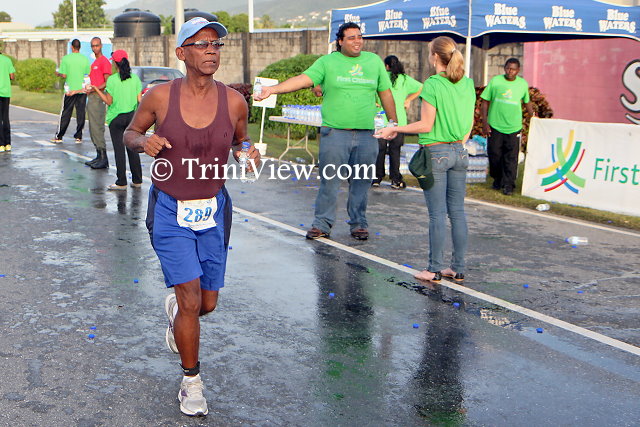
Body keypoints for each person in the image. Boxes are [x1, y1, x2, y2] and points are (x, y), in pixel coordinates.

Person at [123, 17, 259, 417]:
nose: (211, 50)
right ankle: (192, 382)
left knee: (207, 304)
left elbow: (241, 142)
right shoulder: (159, 97)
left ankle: (177, 315)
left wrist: (248, 154)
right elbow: (130, 133)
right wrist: (145, 141)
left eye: (216, 44)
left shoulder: (234, 102)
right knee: (190, 298)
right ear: (182, 52)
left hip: (214, 210)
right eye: (201, 44)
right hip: (170, 209)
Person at [254, 22, 397, 241]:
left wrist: (393, 122)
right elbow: (303, 80)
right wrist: (272, 89)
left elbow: (385, 93)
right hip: (335, 134)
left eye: (359, 37)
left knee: (361, 182)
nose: (357, 41)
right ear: (340, 41)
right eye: (351, 37)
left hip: (367, 135)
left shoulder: (374, 61)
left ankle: (359, 224)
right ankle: (322, 224)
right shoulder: (327, 62)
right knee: (330, 181)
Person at [378, 36, 475, 283]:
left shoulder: (433, 84)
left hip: (437, 152)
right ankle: (458, 268)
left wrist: (395, 128)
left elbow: (426, 124)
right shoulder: (467, 83)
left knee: (437, 214)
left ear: (434, 56)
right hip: (459, 151)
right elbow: (469, 123)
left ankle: (434, 269)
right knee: (457, 212)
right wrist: (459, 142)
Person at [480, 58, 535, 195]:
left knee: (511, 157)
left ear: (518, 70)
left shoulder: (522, 84)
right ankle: (497, 179)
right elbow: (485, 102)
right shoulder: (495, 81)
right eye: (508, 68)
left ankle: (509, 184)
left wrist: (534, 117)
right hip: (495, 125)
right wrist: (485, 123)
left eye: (513, 69)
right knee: (495, 155)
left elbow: (527, 102)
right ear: (504, 68)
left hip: (513, 127)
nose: (510, 71)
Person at [91, 49, 143, 191]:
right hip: (132, 117)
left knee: (119, 150)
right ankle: (137, 179)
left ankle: (121, 182)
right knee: (132, 148)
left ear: (115, 63)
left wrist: (97, 90)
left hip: (116, 118)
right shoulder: (135, 79)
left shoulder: (112, 80)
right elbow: (140, 100)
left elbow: (109, 101)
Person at [373, 55, 422, 189]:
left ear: (386, 66)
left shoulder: (381, 77)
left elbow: (371, 91)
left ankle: (377, 178)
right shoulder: (405, 79)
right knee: (395, 151)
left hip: (381, 120)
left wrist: (375, 102)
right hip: (399, 121)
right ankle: (395, 179)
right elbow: (421, 87)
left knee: (380, 150)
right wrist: (408, 100)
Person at [53, 39, 90, 144]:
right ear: (80, 47)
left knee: (66, 113)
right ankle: (79, 136)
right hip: (81, 90)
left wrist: (58, 74)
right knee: (81, 113)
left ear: (72, 47)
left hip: (70, 90)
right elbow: (87, 74)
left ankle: (60, 136)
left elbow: (64, 75)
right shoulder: (85, 59)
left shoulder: (66, 59)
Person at [85, 37, 113, 169]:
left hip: (98, 97)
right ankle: (98, 154)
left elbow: (107, 81)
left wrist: (95, 88)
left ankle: (103, 157)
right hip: (91, 96)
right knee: (92, 127)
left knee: (97, 126)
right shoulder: (94, 62)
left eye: (96, 45)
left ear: (101, 46)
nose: (94, 48)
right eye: (92, 46)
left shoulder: (104, 62)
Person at [0, 49, 15, 153]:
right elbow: (12, 76)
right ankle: (8, 144)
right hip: (6, 92)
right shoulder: (7, 60)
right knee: (5, 118)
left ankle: (0, 144)